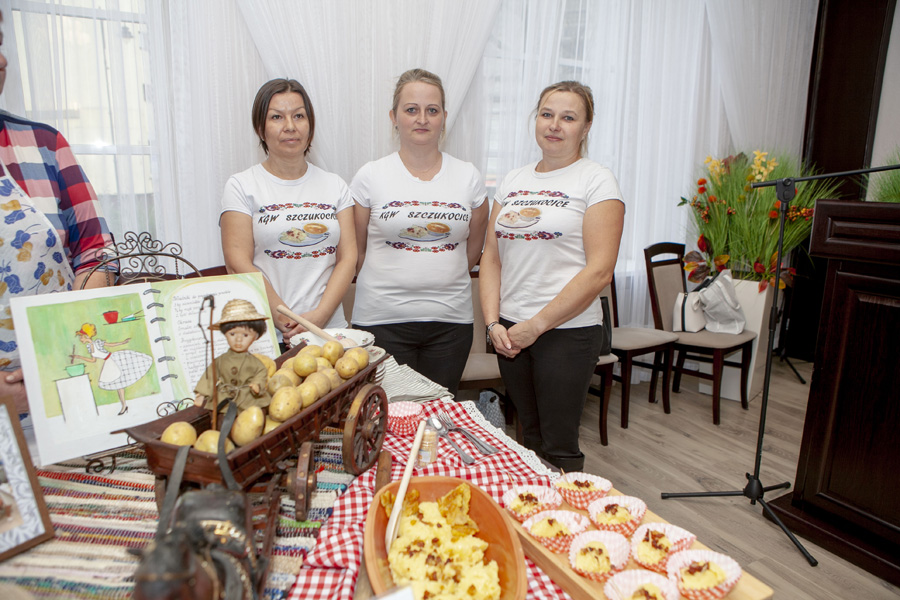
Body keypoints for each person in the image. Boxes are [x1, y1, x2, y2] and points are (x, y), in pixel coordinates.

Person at [480, 81, 625, 471]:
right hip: (511, 331)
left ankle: (567, 508)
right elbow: (491, 257)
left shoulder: (596, 180)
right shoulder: (513, 180)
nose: (555, 125)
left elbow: (600, 271)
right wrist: (493, 323)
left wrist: (538, 325)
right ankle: (533, 506)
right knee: (528, 438)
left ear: (586, 127)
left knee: (558, 445)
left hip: (567, 332)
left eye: (568, 117)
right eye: (547, 114)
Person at [0, 9, 114, 412]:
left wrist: (61, 351)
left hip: (64, 384)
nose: (2, 60)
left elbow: (97, 251)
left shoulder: (44, 144)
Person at [350, 68, 488, 397]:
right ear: (394, 117)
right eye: (411, 109)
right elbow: (357, 251)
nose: (422, 119)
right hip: (380, 321)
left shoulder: (468, 176)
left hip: (450, 325)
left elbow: (474, 248)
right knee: (388, 417)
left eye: (432, 110)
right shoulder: (370, 176)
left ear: (444, 117)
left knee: (438, 414)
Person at [220, 79, 356, 347]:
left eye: (299, 116)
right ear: (260, 128)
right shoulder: (241, 185)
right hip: (266, 333)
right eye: (277, 117)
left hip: (328, 331)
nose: (290, 126)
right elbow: (237, 261)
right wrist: (284, 317)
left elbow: (348, 258)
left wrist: (320, 316)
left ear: (310, 125)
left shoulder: (335, 185)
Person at [194, 299, 271, 412]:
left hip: (248, 399)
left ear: (255, 337)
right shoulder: (220, 361)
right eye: (232, 334)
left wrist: (257, 384)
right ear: (225, 334)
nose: (238, 340)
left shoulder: (255, 363)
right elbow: (210, 375)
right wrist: (201, 393)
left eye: (245, 335)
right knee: (221, 417)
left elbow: (261, 373)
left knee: (255, 415)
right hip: (224, 398)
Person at [71, 323, 152, 415]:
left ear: (86, 336)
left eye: (81, 337)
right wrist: (79, 357)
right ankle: (124, 405)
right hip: (109, 362)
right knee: (119, 385)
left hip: (114, 359)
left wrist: (122, 342)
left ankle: (124, 406)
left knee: (120, 383)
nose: (80, 339)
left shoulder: (97, 342)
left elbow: (110, 345)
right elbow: (93, 360)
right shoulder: (89, 346)